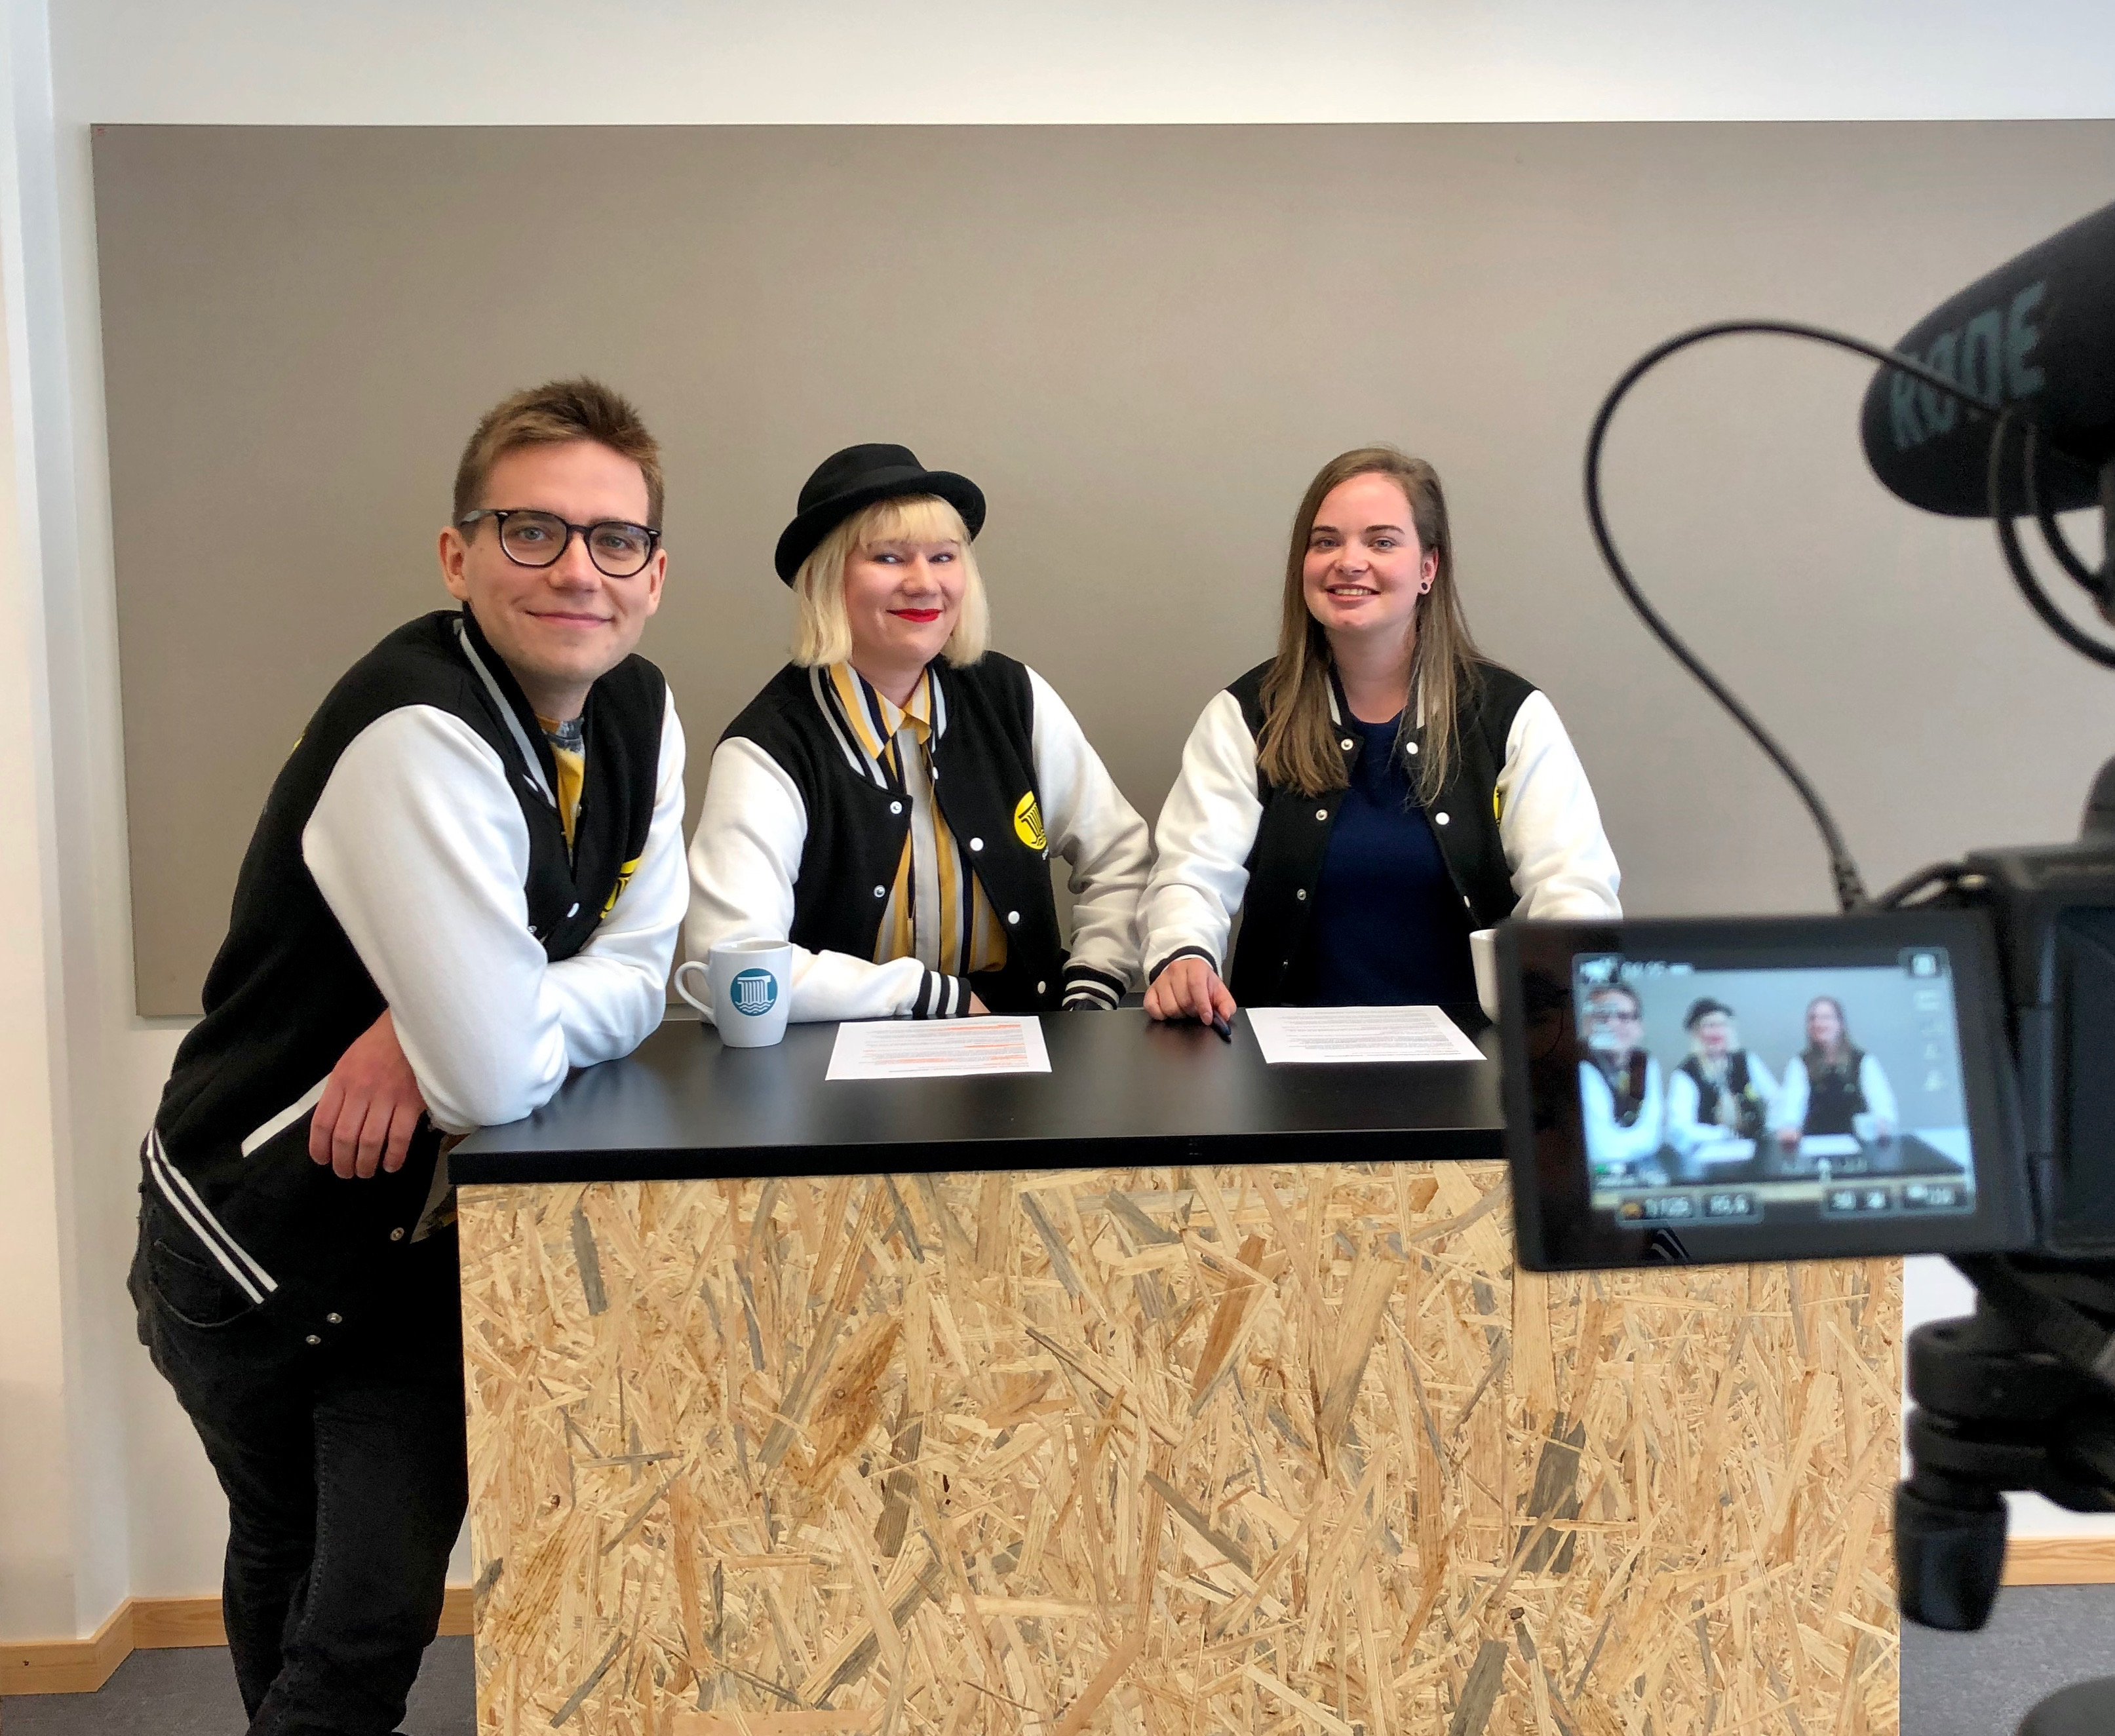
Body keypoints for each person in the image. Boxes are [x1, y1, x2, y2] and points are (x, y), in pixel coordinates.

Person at [129, 380, 689, 1736]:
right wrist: (460, 1024)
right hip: (249, 1235)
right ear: (457, 553)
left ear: (654, 573)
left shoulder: (639, 710)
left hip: (414, 1231)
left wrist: (446, 1017)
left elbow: (643, 971)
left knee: (359, 1611)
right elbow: (491, 1075)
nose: (577, 569)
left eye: (614, 539)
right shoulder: (415, 728)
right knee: (305, 1563)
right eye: (530, 530)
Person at [1136, 446, 1620, 1021]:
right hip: (1285, 1056)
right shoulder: (1246, 713)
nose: (1349, 561)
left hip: (1476, 1053)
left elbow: (1570, 884)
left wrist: (1560, 981)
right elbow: (1190, 874)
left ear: (1428, 568)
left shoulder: (1509, 715)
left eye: (1381, 542)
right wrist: (1183, 954)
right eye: (1325, 542)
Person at [686, 443, 1150, 1019]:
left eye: (943, 556)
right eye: (888, 557)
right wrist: (931, 997)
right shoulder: (768, 749)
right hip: (835, 1057)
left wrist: (1093, 986)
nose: (924, 583)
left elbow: (1120, 858)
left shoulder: (1013, 697)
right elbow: (729, 964)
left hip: (1022, 1047)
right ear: (822, 581)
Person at [1775, 994, 1899, 1145]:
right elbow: (1792, 1105)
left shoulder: (1864, 1061)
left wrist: (1883, 1124)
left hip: (1859, 1147)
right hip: (1815, 1146)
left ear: (1841, 1024)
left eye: (1826, 1018)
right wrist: (1789, 1128)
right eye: (1813, 1019)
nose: (1818, 1023)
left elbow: (1883, 1106)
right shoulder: (1800, 1064)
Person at [1665, 997, 1777, 1155]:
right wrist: (1722, 1135)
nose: (1717, 1032)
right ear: (1696, 1033)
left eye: (1722, 1025)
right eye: (1710, 1026)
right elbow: (1680, 1128)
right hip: (1707, 1155)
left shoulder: (1747, 1061)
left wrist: (1771, 1130)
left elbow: (1776, 1099)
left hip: (1753, 1150)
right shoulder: (1685, 1075)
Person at [1577, 981, 1665, 1178]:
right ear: (1587, 1023)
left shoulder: (1645, 1062)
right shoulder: (1578, 1064)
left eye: (1624, 1017)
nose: (1612, 1025)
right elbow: (1602, 1151)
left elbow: (1653, 1138)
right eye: (1602, 1017)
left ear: (1639, 1027)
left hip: (1640, 1171)